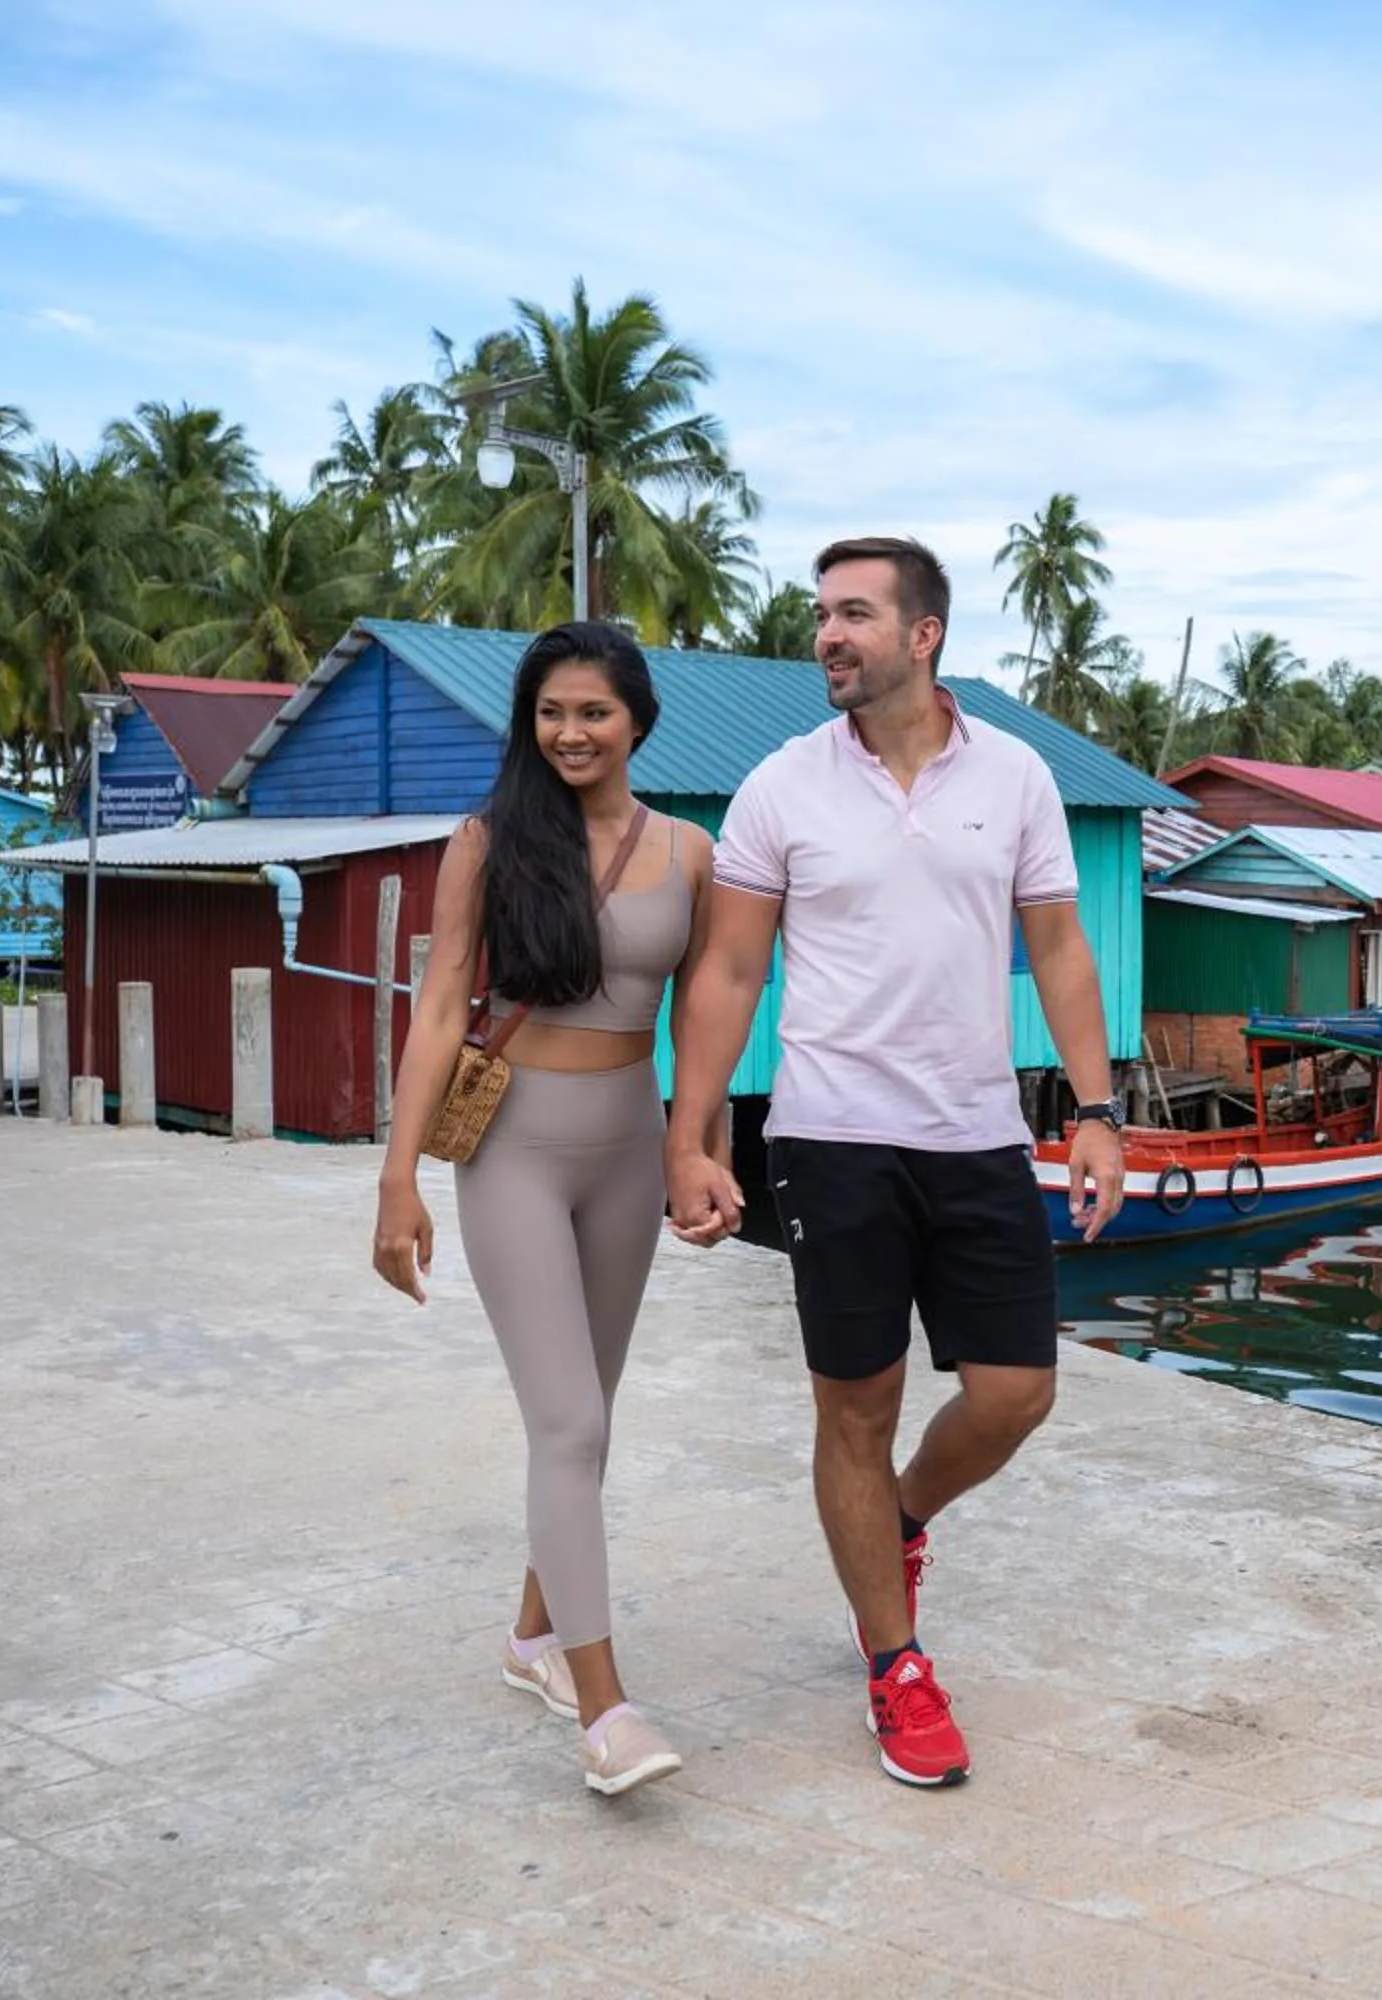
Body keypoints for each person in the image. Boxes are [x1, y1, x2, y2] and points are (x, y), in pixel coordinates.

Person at [665, 536, 1125, 1791]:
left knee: (1018, 1390)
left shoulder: (1017, 777)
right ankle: (894, 1663)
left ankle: (904, 1517)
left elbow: (1063, 948)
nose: (828, 633)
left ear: (923, 634)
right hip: (830, 1135)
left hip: (978, 1130)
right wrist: (692, 1133)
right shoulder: (780, 786)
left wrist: (1097, 1108)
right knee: (852, 1404)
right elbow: (726, 971)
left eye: (855, 613)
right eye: (822, 613)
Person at [372, 622, 718, 1798]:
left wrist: (694, 1153)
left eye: (594, 712)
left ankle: (532, 1637)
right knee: (568, 1423)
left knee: (591, 1415)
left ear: (638, 720)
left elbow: (709, 1015)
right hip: (514, 1149)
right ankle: (606, 1707)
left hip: (627, 1146)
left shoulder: (690, 852)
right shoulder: (486, 842)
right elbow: (436, 1013)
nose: (570, 733)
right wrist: (395, 1177)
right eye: (550, 712)